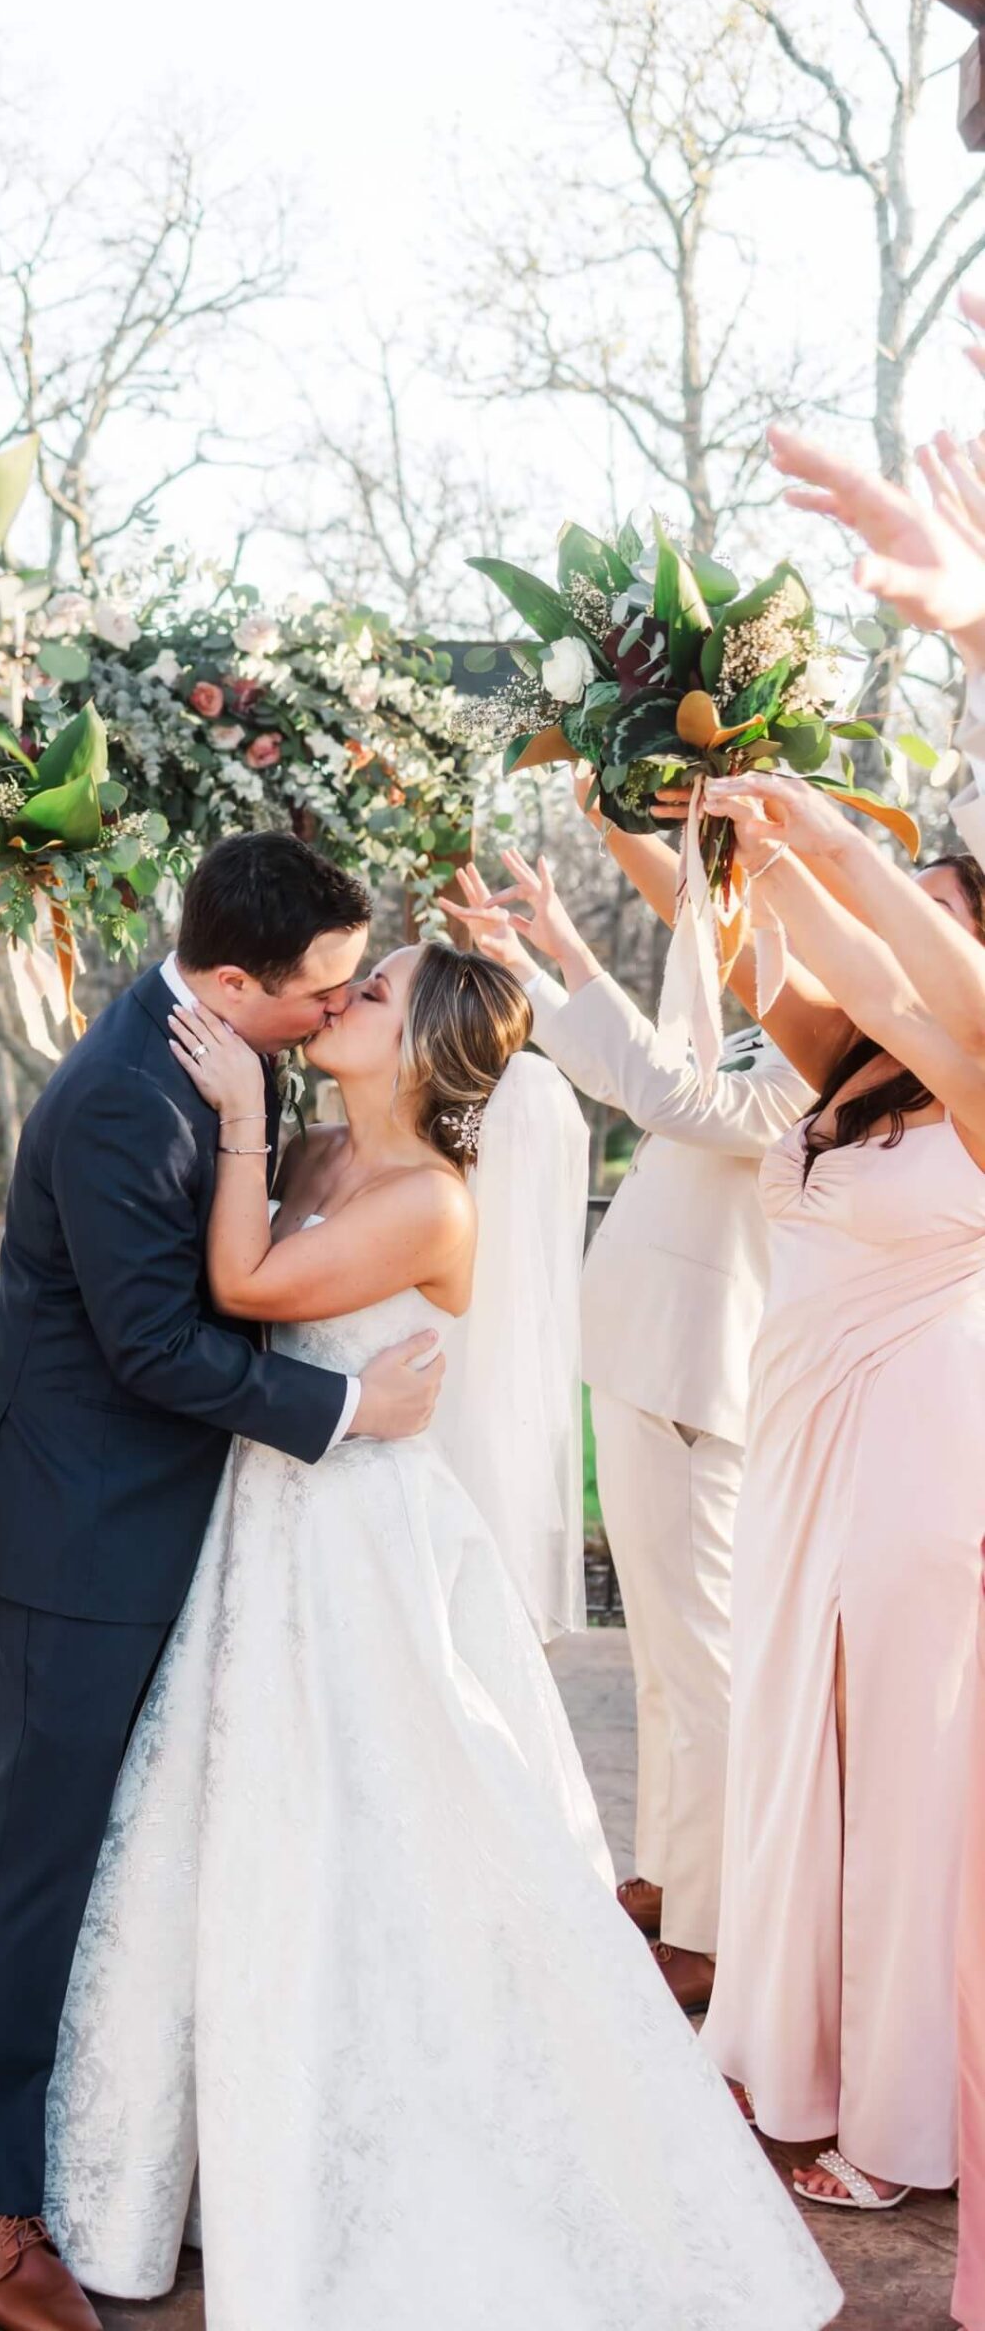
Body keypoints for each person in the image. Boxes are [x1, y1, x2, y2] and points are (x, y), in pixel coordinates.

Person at [40, 936, 840, 2331]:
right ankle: (212, 2144)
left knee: (391, 1826)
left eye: (378, 990)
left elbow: (242, 1292)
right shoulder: (308, 1162)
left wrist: (233, 1117)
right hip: (260, 1533)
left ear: (430, 1046)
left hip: (358, 1544)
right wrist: (252, 1137)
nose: (343, 995)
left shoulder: (427, 1203)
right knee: (244, 1825)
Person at [0, 833, 511, 2331]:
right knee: (34, 1867)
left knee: (166, 1859)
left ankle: (138, 2153)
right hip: (84, 1536)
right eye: (320, 990)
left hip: (197, 1533)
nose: (330, 1014)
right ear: (236, 982)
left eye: (352, 993)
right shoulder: (134, 1096)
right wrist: (339, 1414)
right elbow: (159, 1346)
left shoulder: (223, 1071)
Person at [672, 769, 985, 2211]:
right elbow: (763, 954)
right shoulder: (850, 1066)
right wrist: (731, 824)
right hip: (802, 1443)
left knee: (901, 1785)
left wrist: (840, 853)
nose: (893, 934)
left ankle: (899, 2122)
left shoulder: (979, 1079)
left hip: (912, 1447)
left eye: (930, 918)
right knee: (799, 1741)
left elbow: (876, 950)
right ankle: (792, 2059)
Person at [454, 835, 811, 2012]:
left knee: (701, 1652)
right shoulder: (789, 1022)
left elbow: (678, 1091)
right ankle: (672, 1865)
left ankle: (714, 1926)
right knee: (663, 1647)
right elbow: (657, 1066)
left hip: (705, 1367)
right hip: (652, 1347)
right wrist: (544, 960)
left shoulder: (842, 1056)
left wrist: (565, 943)